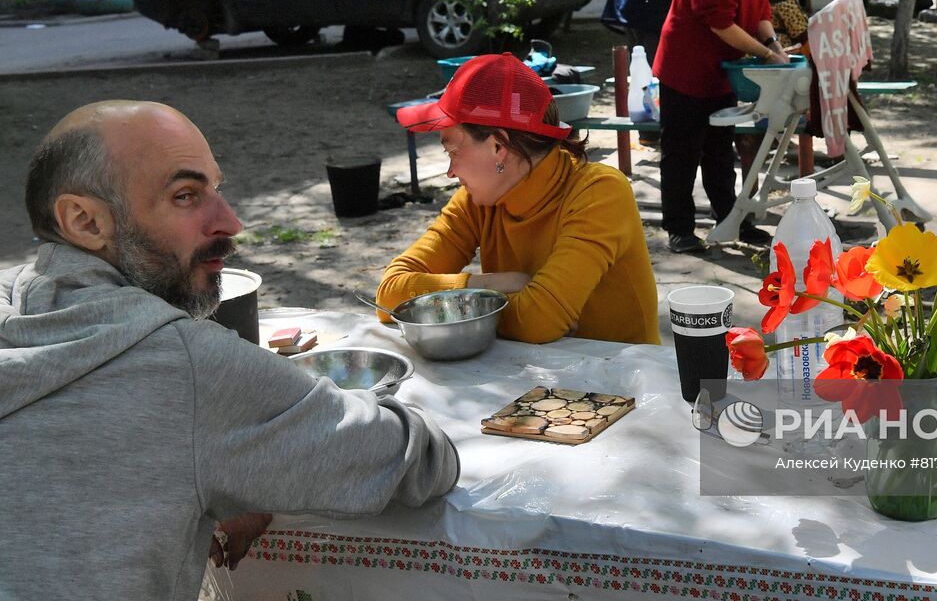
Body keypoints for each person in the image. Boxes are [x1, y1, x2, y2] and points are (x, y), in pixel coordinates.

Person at [0, 101, 459, 599]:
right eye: (185, 195)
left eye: (217, 190)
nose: (230, 222)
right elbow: (420, 459)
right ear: (85, 222)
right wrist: (258, 463)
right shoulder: (186, 366)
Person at [378, 54, 660, 345]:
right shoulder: (478, 199)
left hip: (624, 381)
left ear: (498, 145)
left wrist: (453, 305)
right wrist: (493, 285)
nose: (450, 172)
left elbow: (537, 321)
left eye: (452, 151)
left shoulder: (600, 192)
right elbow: (390, 292)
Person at [652, 0, 801, 254]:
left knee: (720, 151)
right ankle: (680, 228)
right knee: (682, 150)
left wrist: (773, 45)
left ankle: (732, 220)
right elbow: (721, 24)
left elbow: (760, 12)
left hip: (724, 69)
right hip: (687, 66)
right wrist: (767, 57)